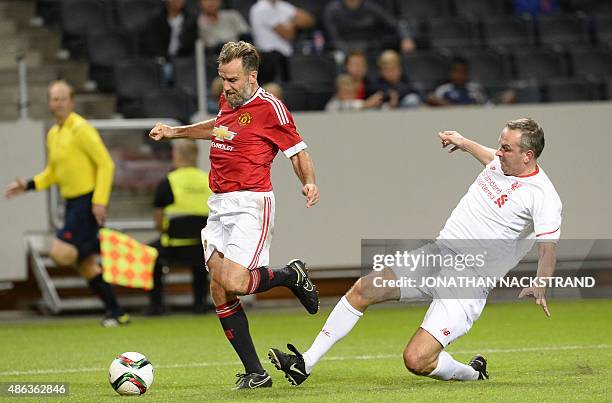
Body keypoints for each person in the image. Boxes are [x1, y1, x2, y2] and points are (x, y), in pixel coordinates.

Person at [269, 118, 562, 386]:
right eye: (500, 144)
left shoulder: (543, 197)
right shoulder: (502, 162)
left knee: (417, 360)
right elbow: (488, 157)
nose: (498, 152)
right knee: (363, 289)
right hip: (439, 254)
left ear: (528, 156)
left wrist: (541, 282)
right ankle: (305, 362)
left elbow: (548, 249)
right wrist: (463, 142)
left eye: (506, 148)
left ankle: (472, 373)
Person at [148, 41, 320, 390]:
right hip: (219, 204)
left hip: (251, 203)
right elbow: (219, 128)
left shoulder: (272, 109)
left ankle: (290, 275)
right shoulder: (230, 100)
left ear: (252, 75)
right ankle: (256, 373)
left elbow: (297, 152)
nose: (225, 86)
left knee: (236, 282)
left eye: (233, 79)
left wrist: (309, 183)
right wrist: (176, 132)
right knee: (219, 287)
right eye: (222, 78)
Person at [4, 80, 130, 327]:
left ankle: (98, 242)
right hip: (71, 203)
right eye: (54, 98)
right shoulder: (54, 133)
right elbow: (53, 172)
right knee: (85, 264)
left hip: (87, 201)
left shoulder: (81, 129)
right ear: (49, 103)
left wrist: (99, 201)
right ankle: (116, 312)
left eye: (62, 98)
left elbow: (106, 164)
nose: (58, 103)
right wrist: (28, 185)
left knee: (60, 253)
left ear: (71, 101)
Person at [147, 139, 213, 316]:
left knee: (150, 254)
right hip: (203, 248)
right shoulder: (209, 180)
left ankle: (156, 306)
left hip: (173, 247)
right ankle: (200, 304)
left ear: (176, 156)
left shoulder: (168, 182)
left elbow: (158, 223)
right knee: (200, 262)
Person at [249, 0, 315, 83]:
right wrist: (293, 21)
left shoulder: (282, 5)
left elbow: (309, 20)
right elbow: (288, 34)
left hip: (286, 57)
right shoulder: (261, 8)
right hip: (269, 59)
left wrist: (290, 24)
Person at [323, 0, 415, 56]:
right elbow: (334, 37)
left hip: (372, 51)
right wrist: (350, 53)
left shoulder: (371, 8)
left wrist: (406, 37)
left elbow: (395, 23)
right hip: (346, 52)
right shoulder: (332, 10)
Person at [143, 0, 198, 83]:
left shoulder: (190, 19)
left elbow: (192, 44)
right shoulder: (156, 19)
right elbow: (154, 46)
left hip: (184, 60)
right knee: (167, 72)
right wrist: (167, 58)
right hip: (163, 60)